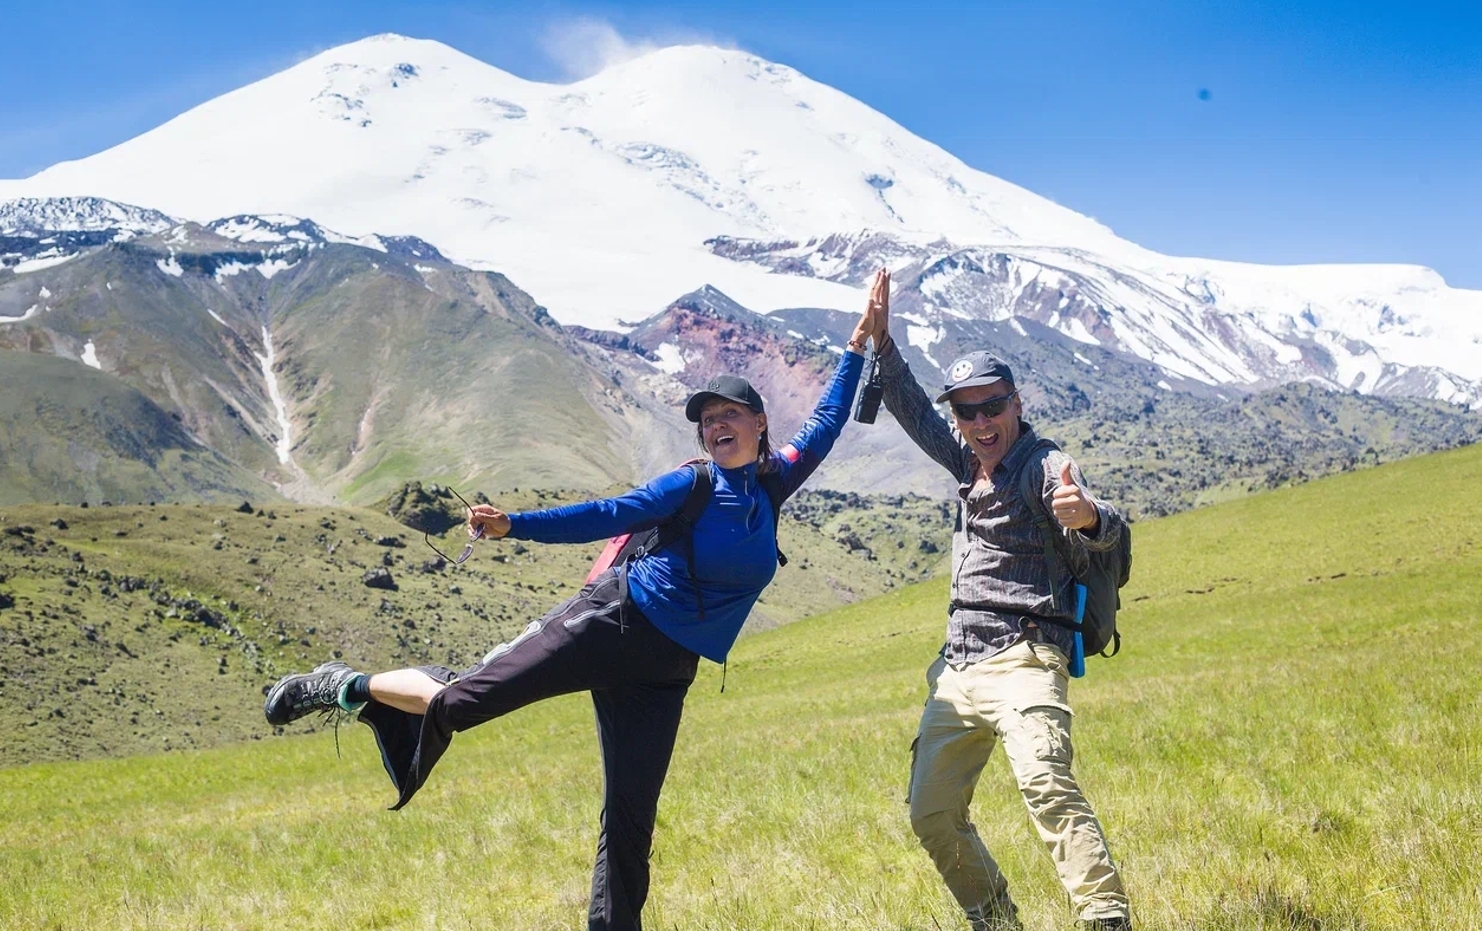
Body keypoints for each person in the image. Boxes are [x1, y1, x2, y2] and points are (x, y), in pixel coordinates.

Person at [261, 273, 886, 931]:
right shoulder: (691, 482)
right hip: (611, 623)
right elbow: (606, 512)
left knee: (631, 817)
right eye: (707, 420)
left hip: (666, 670)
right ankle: (343, 684)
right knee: (461, 700)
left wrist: (857, 341)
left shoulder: (774, 481)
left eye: (729, 414)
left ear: (760, 422)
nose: (716, 425)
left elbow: (828, 418)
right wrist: (515, 525)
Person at [864, 270, 1132, 931]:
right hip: (957, 667)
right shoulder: (965, 458)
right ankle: (995, 916)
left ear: (1016, 403)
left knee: (1046, 783)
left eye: (992, 407)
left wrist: (1091, 517)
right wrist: (884, 347)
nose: (980, 421)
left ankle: (1105, 918)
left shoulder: (1046, 465)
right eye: (968, 410)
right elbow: (917, 415)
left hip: (1026, 658)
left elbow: (1115, 549)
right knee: (930, 813)